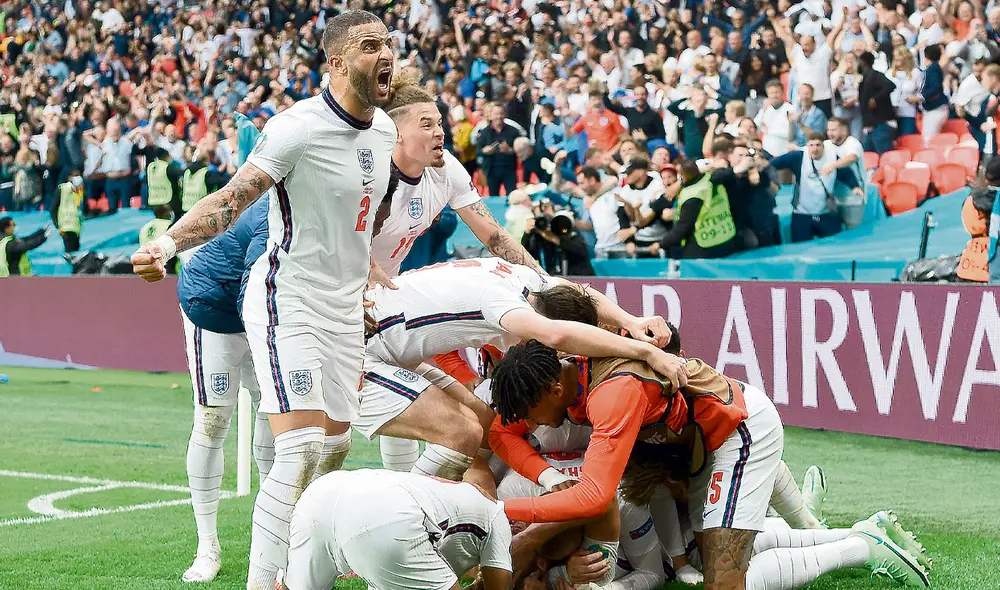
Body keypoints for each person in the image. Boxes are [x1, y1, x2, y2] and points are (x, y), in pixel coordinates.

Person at [131, 11, 400, 590]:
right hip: (288, 297)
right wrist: (169, 242)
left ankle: (302, 568)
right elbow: (232, 199)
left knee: (333, 449)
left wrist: (366, 269)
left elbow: (366, 209)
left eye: (389, 44)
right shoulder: (296, 128)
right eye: (370, 46)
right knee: (298, 446)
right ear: (336, 63)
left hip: (342, 310)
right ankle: (263, 580)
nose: (386, 54)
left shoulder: (384, 133)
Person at [488, 338, 932, 590]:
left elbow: (594, 495)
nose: (529, 424)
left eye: (528, 411)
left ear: (550, 388)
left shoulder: (610, 394)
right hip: (703, 444)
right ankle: (859, 536)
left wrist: (498, 512)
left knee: (723, 584)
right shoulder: (578, 366)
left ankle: (859, 548)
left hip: (737, 432)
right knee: (710, 554)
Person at [360, 260, 683, 482]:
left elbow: (582, 294)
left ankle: (416, 501)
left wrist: (630, 321)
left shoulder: (530, 282)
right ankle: (401, 520)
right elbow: (557, 334)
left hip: (387, 343)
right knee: (460, 431)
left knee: (482, 419)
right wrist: (646, 351)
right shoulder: (505, 303)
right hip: (356, 347)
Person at [281, 469, 512, 590]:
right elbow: (499, 584)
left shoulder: (461, 501)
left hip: (321, 493)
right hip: (385, 515)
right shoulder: (497, 518)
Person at [771, 132, 865, 243]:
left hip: (826, 212)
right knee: (800, 247)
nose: (815, 149)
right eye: (811, 145)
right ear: (807, 146)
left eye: (818, 145)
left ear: (823, 146)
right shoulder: (797, 156)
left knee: (836, 244)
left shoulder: (832, 157)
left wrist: (854, 186)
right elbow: (773, 164)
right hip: (802, 213)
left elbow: (845, 172)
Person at [658, 160, 739, 259]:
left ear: (682, 176)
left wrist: (661, 244)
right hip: (727, 238)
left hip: (703, 248)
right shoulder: (714, 178)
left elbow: (682, 228)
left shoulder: (692, 194)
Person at [477, 101, 521, 196]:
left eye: (501, 113)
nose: (499, 117)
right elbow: (478, 150)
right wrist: (486, 150)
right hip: (492, 169)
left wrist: (509, 150)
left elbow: (520, 151)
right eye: (496, 114)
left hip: (509, 169)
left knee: (512, 196)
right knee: (493, 196)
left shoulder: (513, 131)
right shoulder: (485, 132)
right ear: (491, 115)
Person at [857, 51, 898, 155]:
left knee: (885, 157)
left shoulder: (875, 75)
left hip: (881, 124)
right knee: (869, 159)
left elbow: (890, 85)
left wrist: (875, 99)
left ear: (862, 62)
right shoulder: (865, 78)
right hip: (870, 125)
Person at [53, 172, 84, 253]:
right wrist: (57, 226)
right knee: (70, 251)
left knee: (75, 249)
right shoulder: (62, 189)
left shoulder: (79, 192)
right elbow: (53, 208)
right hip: (66, 226)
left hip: (76, 227)